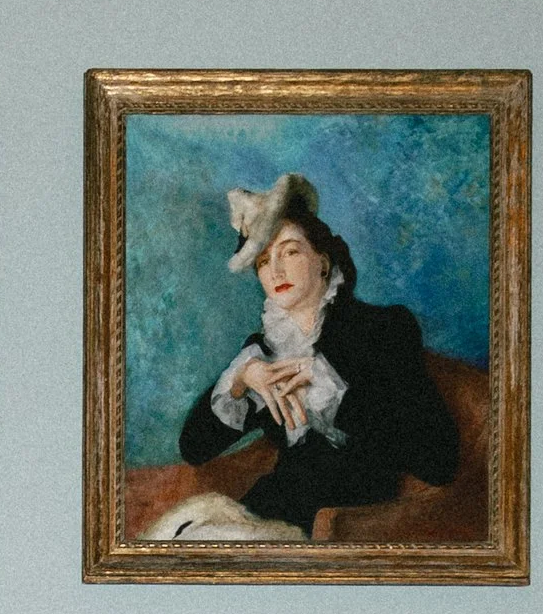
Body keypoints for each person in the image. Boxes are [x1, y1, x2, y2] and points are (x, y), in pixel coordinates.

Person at [168, 175, 460, 543]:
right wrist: (242, 380)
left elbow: (439, 460)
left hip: (348, 525)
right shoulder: (265, 351)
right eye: (262, 261)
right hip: (270, 511)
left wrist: (330, 384)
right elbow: (194, 449)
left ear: (323, 261)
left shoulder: (382, 329)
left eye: (290, 251)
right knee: (185, 536)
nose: (275, 271)